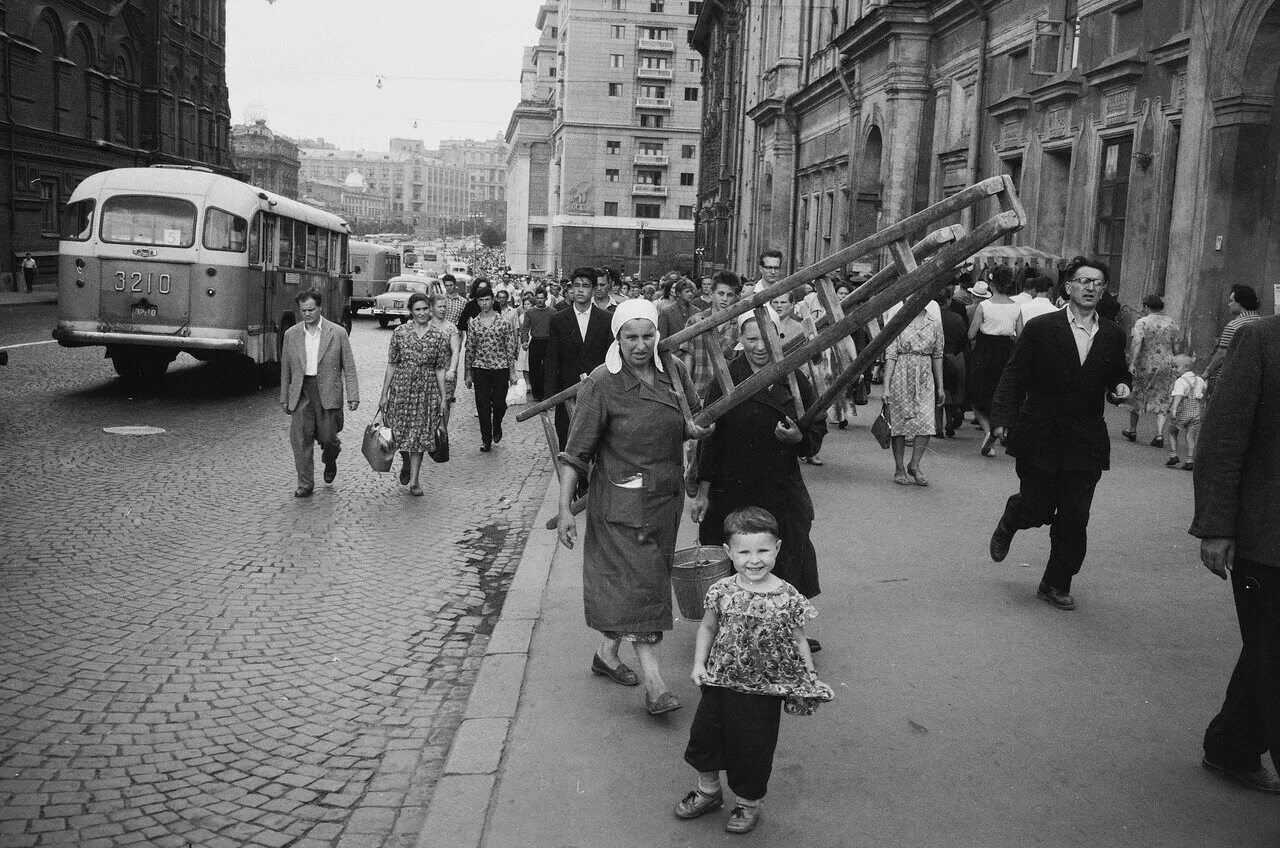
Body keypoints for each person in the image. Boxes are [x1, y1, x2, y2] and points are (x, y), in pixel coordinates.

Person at [555, 299, 712, 716]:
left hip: (664, 499)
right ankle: (656, 685)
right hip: (620, 504)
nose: (640, 346)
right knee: (645, 585)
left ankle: (607, 653)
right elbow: (575, 454)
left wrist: (695, 430)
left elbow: (692, 417)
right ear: (617, 339)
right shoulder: (602, 384)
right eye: (631, 337)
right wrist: (566, 508)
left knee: (643, 582)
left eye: (647, 336)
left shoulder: (673, 371)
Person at [676, 507, 834, 835]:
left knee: (753, 747)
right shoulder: (720, 590)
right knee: (705, 737)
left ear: (777, 547)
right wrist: (697, 664)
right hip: (719, 682)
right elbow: (706, 628)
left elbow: (798, 639)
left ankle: (748, 803)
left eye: (763, 550)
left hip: (763, 692)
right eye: (744, 551)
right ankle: (709, 792)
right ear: (728, 552)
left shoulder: (787, 595)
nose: (754, 559)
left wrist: (811, 677)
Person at [987, 257, 1132, 610]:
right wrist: (1002, 417)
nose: (1089, 287)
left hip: (1085, 438)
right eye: (1083, 281)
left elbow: (1118, 373)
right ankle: (1014, 516)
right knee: (1036, 507)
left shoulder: (1112, 334)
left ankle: (1055, 582)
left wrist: (1121, 386)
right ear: (1068, 286)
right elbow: (1014, 374)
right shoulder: (1041, 328)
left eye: (1097, 283)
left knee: (1074, 516)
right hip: (1041, 433)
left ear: (1103, 290)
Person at [1189, 314, 1280, 795]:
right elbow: (1223, 438)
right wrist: (1217, 526)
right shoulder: (1261, 339)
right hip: (1269, 542)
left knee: (1267, 655)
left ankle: (1231, 745)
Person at [692, 308, 827, 610]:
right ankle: (731, 625)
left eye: (767, 338)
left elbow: (817, 425)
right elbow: (709, 440)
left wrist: (799, 439)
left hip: (779, 484)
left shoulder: (792, 376)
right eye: (752, 339)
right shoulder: (726, 379)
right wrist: (703, 492)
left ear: (778, 337)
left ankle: (785, 624)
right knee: (734, 554)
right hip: (732, 486)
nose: (760, 346)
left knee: (785, 550)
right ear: (740, 339)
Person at [280, 289, 360, 498]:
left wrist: (353, 395)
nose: (307, 314)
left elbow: (349, 367)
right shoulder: (291, 335)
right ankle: (305, 484)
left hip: (327, 392)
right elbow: (286, 368)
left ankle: (330, 458)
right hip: (302, 392)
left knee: (328, 438)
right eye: (303, 310)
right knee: (301, 439)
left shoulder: (337, 333)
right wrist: (284, 397)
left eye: (311, 309)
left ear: (320, 308)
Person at [378, 293, 454, 496]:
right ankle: (405, 461)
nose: (422, 313)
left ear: (430, 310)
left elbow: (439, 368)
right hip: (402, 389)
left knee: (420, 436)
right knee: (400, 432)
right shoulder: (400, 332)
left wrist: (443, 397)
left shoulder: (439, 336)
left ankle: (414, 481)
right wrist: (384, 393)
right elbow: (392, 363)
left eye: (425, 309)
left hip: (427, 391)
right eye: (417, 309)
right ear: (411, 311)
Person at [544, 269, 613, 448]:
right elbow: (552, 358)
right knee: (567, 442)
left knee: (598, 442)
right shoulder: (558, 319)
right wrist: (549, 395)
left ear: (593, 290)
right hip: (567, 391)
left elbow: (610, 357)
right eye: (576, 286)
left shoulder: (606, 319)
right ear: (571, 290)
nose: (580, 290)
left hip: (598, 390)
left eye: (585, 286)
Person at [883, 299, 945, 484]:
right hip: (901, 373)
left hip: (925, 375)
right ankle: (899, 467)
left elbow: (938, 354)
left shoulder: (934, 322)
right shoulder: (899, 320)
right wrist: (886, 386)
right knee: (899, 422)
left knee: (926, 422)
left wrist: (940, 386)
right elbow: (891, 354)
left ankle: (915, 465)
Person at [966, 266, 1021, 455]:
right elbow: (1020, 335)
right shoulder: (1016, 306)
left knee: (977, 394)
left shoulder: (984, 306)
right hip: (1007, 350)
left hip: (985, 351)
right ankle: (999, 428)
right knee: (1001, 393)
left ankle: (988, 429)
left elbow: (971, 334)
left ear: (991, 283)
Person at [464, 281, 518, 452]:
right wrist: (468, 373)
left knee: (500, 402)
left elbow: (510, 347)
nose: (485, 303)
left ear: (493, 300)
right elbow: (470, 348)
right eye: (481, 300)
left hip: (500, 368)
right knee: (483, 404)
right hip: (480, 368)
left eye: (487, 300)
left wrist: (512, 372)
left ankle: (497, 424)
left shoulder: (503, 323)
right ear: (477, 302)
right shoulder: (473, 324)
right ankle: (486, 438)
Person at [1122, 293, 1180, 447]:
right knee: (1162, 397)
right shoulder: (1171, 323)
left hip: (1145, 363)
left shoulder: (1142, 322)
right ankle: (1159, 434)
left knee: (1138, 393)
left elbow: (1137, 343)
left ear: (1147, 307)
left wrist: (1132, 363)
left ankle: (1132, 429)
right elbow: (1176, 346)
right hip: (1166, 364)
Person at [1203, 284, 1262, 391]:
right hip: (1256, 379)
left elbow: (1222, 354)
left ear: (1241, 303)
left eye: (1232, 301)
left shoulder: (1233, 326)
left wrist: (1208, 371)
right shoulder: (1262, 322)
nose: (1229, 304)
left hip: (1232, 379)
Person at [936, 286, 968, 437]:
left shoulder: (932, 317)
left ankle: (938, 427)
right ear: (948, 301)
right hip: (955, 356)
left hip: (938, 357)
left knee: (938, 393)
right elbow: (965, 337)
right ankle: (949, 422)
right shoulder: (957, 318)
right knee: (952, 392)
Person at [1166, 353, 1206, 470]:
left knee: (1172, 431)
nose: (1173, 370)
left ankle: (1173, 454)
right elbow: (1204, 389)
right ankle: (1189, 460)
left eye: (1176, 367)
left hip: (1183, 411)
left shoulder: (1181, 381)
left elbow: (1178, 396)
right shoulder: (1199, 379)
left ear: (1187, 367)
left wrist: (1173, 409)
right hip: (1196, 412)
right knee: (1190, 436)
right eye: (1173, 367)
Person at [521, 286, 555, 400]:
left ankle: (547, 392)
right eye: (538, 298)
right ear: (535, 298)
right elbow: (525, 328)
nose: (540, 300)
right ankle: (537, 394)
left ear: (546, 299)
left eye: (542, 298)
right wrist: (524, 341)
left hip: (548, 342)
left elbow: (556, 328)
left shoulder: (552, 312)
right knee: (534, 369)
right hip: (535, 342)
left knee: (547, 368)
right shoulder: (530, 312)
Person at [658, 277, 697, 341]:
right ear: (678, 293)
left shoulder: (696, 311)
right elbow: (662, 337)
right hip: (673, 349)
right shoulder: (667, 311)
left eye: (691, 291)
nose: (690, 294)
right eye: (687, 292)